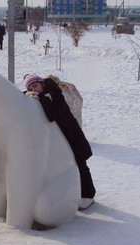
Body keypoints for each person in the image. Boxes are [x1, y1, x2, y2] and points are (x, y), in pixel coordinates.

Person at [23, 74, 96, 210]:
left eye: (36, 86)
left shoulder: (55, 94)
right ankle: (72, 194)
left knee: (80, 164)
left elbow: (52, 115)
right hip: (60, 140)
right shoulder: (42, 96)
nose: (35, 90)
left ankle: (88, 196)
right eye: (31, 88)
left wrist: (39, 98)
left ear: (42, 84)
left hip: (72, 136)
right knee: (65, 168)